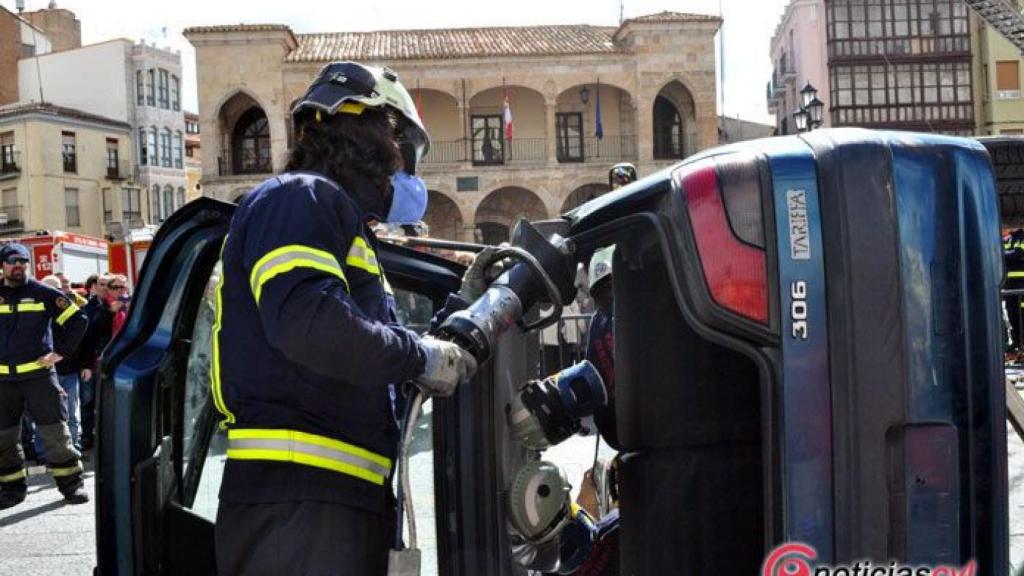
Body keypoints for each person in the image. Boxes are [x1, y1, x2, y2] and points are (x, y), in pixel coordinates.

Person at [212, 61, 479, 576]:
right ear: (378, 133)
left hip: (326, 503)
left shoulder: (331, 217)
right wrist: (419, 356)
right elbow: (312, 325)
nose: (406, 173)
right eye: (406, 153)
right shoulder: (300, 198)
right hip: (300, 507)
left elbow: (360, 338)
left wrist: (461, 306)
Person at [0, 243, 89, 509]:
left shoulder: (42, 293)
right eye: (13, 261)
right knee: (4, 438)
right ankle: (12, 488)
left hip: (39, 377)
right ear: (3, 265)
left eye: (23, 261)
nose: (19, 266)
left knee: (55, 433)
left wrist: (59, 353)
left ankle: (72, 484)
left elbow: (78, 320)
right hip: (3, 382)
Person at [78, 274, 119, 451]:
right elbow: (89, 333)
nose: (104, 288)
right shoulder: (89, 307)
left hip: (114, 362)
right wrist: (85, 365)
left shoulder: (122, 304)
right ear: (94, 286)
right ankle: (87, 437)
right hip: (92, 362)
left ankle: (107, 437)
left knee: (110, 402)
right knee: (88, 402)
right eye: (101, 284)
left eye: (107, 285)